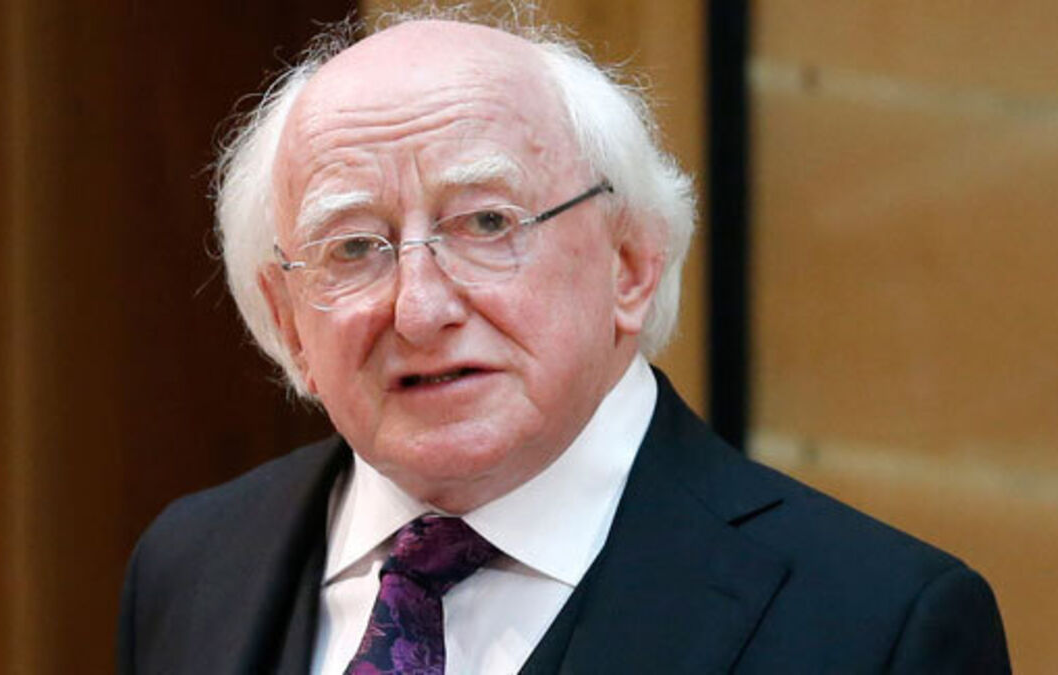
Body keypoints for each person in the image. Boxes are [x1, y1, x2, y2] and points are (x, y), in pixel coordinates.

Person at [117, 9, 1010, 674]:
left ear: (630, 264)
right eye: (353, 246)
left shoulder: (879, 626)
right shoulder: (191, 565)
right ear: (286, 320)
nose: (419, 309)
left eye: (487, 223)